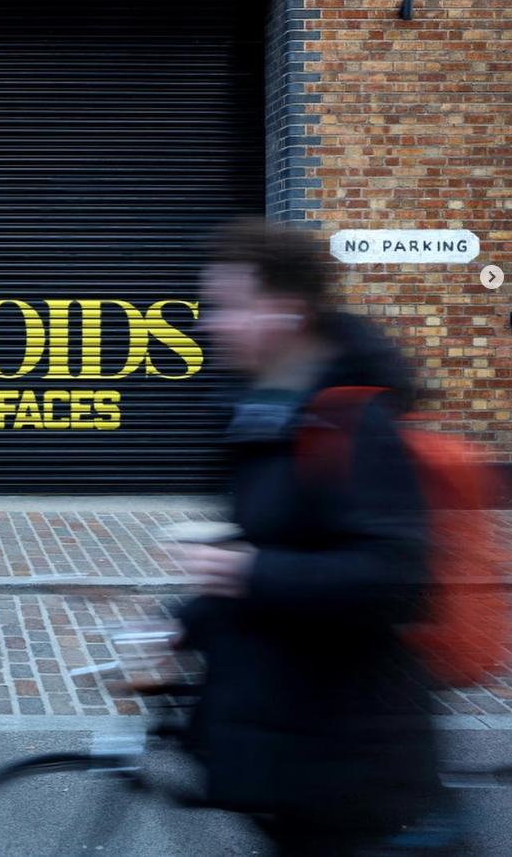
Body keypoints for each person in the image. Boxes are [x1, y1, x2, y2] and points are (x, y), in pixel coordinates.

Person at [170, 217, 459, 856]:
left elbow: (397, 581)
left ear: (287, 313)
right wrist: (182, 624)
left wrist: (247, 573)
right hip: (299, 755)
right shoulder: (260, 416)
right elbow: (271, 551)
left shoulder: (352, 422)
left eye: (227, 307)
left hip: (357, 771)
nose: (206, 322)